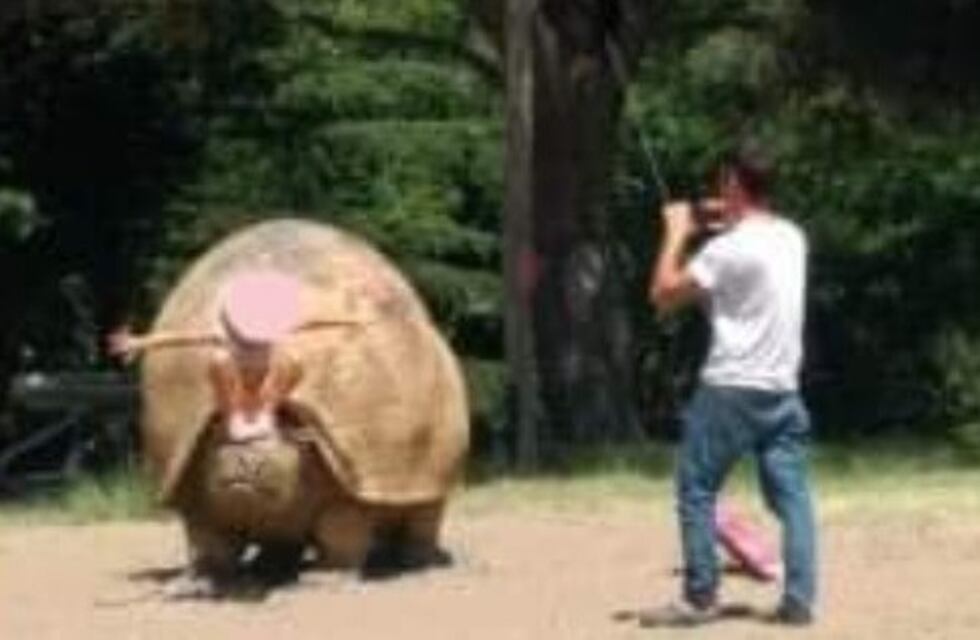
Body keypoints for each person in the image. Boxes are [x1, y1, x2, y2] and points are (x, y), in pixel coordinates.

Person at [644, 143, 817, 626]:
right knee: (792, 498)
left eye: (725, 183)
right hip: (783, 390)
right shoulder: (792, 237)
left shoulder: (726, 250)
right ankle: (799, 600)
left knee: (695, 488)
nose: (720, 192)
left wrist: (676, 232)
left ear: (736, 185)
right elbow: (745, 220)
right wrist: (712, 211)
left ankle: (700, 599)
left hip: (730, 390)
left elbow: (661, 293)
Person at [109, 269, 363, 442]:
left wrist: (351, 320)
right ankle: (235, 421)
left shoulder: (274, 329)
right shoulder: (225, 336)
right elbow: (179, 337)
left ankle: (265, 415)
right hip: (235, 397)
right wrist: (140, 342)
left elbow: (314, 321)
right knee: (219, 359)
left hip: (265, 396)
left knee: (292, 359)